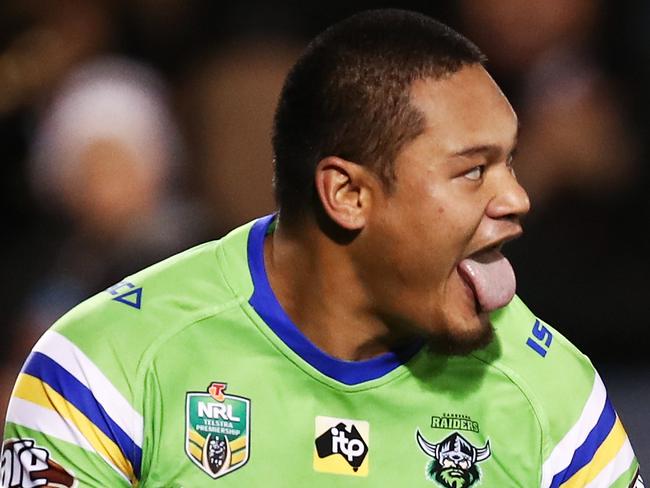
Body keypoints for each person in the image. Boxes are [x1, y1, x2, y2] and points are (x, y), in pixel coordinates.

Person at [1, 9, 642, 487]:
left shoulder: (549, 392)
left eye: (512, 162)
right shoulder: (105, 369)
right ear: (347, 194)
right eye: (474, 170)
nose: (517, 197)